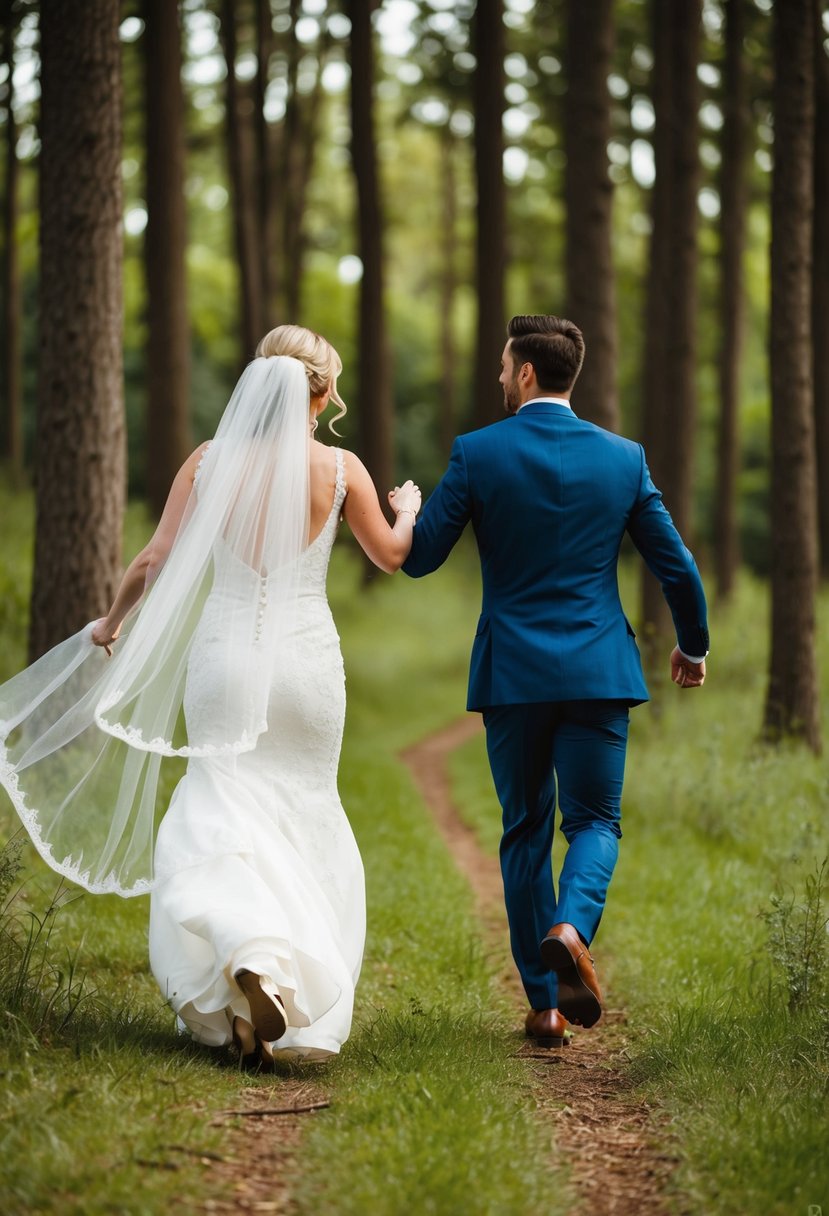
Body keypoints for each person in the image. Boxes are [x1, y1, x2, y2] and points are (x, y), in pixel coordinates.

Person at [0, 324, 421, 1068]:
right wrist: (409, 508)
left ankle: (247, 961)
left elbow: (155, 558)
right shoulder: (339, 467)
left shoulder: (209, 462)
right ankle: (280, 982)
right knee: (302, 809)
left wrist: (112, 621)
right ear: (320, 394)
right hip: (306, 669)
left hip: (224, 663)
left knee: (218, 808)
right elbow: (389, 556)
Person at [402, 314, 708, 1048]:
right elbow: (678, 568)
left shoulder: (477, 453)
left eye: (505, 367)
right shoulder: (622, 459)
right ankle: (571, 928)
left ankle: (542, 1006)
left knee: (524, 831)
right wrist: (691, 648)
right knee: (595, 823)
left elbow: (417, 560)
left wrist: (406, 509)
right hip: (599, 671)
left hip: (511, 674)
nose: (500, 379)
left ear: (528, 373)